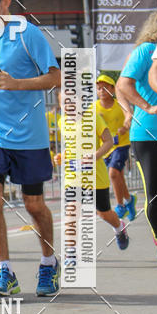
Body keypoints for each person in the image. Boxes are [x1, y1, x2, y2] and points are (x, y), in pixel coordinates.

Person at [0, 0, 61, 297]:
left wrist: (18, 84)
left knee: (34, 205)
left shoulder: (28, 34)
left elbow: (56, 77)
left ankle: (48, 263)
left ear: (5, 2)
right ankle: (4, 272)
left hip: (29, 133)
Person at [55, 95, 129, 252]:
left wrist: (95, 156)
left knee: (104, 213)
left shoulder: (93, 117)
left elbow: (109, 142)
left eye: (73, 100)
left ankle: (119, 227)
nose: (69, 105)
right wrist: (62, 156)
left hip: (96, 177)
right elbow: (72, 146)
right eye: (65, 102)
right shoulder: (62, 122)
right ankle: (71, 252)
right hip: (73, 176)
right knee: (71, 210)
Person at [125, 8, 157, 264]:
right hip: (148, 134)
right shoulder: (146, 52)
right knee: (156, 194)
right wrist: (147, 107)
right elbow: (123, 85)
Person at [96, 74, 136, 221]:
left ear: (112, 89)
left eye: (105, 87)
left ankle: (120, 206)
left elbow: (129, 115)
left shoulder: (119, 104)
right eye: (99, 88)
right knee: (118, 177)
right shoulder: (94, 107)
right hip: (105, 147)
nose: (101, 91)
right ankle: (129, 200)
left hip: (121, 144)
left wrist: (125, 126)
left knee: (113, 173)